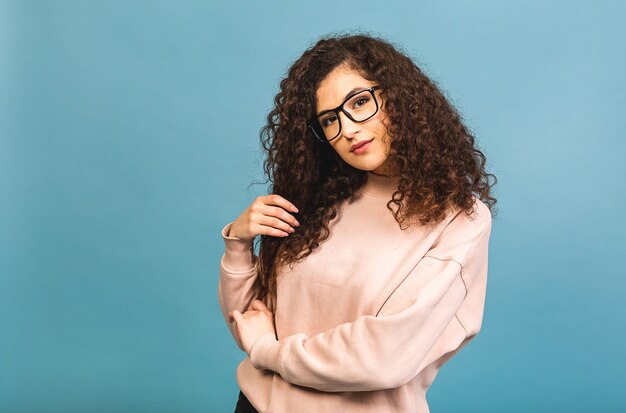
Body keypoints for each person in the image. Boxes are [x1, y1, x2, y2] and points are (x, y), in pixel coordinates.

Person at [218, 32, 497, 413]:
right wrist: (237, 244)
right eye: (330, 120)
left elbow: (381, 357)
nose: (348, 129)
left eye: (360, 102)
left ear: (400, 97)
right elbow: (250, 322)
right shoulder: (318, 200)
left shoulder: (459, 219)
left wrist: (268, 352)